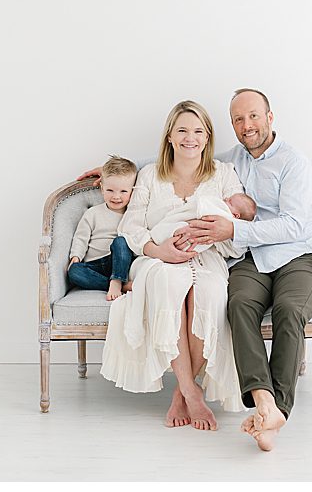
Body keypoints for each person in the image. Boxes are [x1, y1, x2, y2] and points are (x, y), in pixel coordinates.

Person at [183, 89, 312, 452]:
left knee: (289, 310)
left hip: (298, 257)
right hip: (253, 259)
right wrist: (122, 168)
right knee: (239, 304)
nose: (247, 125)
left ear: (270, 117)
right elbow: (186, 155)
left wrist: (235, 230)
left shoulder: (294, 162)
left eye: (253, 116)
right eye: (238, 119)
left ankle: (278, 411)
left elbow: (295, 225)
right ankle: (264, 401)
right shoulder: (233, 160)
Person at [99, 101, 247, 432]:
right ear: (169, 136)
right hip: (156, 256)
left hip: (206, 256)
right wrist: (159, 250)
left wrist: (209, 235)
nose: (189, 138)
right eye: (182, 130)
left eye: (197, 131)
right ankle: (193, 395)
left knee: (210, 292)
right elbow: (131, 226)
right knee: (169, 284)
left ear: (207, 137)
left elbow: (236, 224)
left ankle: (183, 392)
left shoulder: (223, 174)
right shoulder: (150, 175)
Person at [67, 156, 139, 301]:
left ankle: (117, 279)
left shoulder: (133, 215)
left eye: (123, 191)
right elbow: (81, 237)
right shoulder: (93, 213)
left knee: (121, 241)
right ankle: (119, 285)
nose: (116, 196)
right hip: (95, 265)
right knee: (74, 272)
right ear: (102, 188)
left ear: (133, 191)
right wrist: (76, 256)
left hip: (120, 263)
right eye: (110, 190)